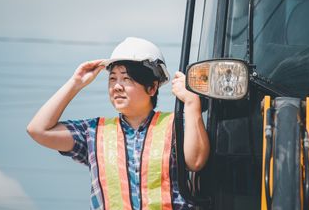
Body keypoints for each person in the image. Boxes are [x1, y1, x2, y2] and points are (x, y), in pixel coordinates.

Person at [27, 37, 209, 210]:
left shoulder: (174, 125)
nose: (117, 86)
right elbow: (38, 129)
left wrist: (192, 103)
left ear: (152, 88)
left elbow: (196, 162)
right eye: (112, 78)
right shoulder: (94, 132)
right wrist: (75, 84)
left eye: (126, 78)